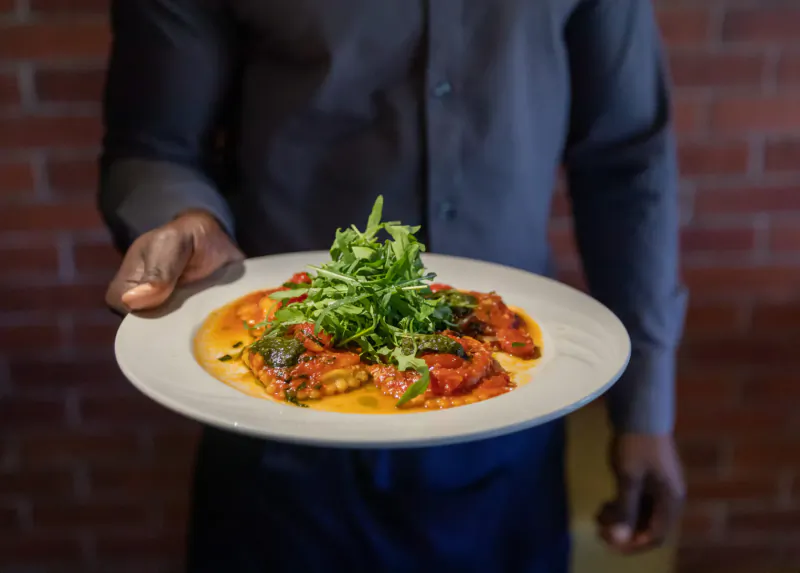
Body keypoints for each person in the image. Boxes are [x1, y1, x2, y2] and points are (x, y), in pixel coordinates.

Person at [100, 1, 687, 571]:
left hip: (508, 417)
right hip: (275, 428)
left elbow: (627, 161)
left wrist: (645, 409)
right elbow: (154, 147)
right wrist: (183, 219)